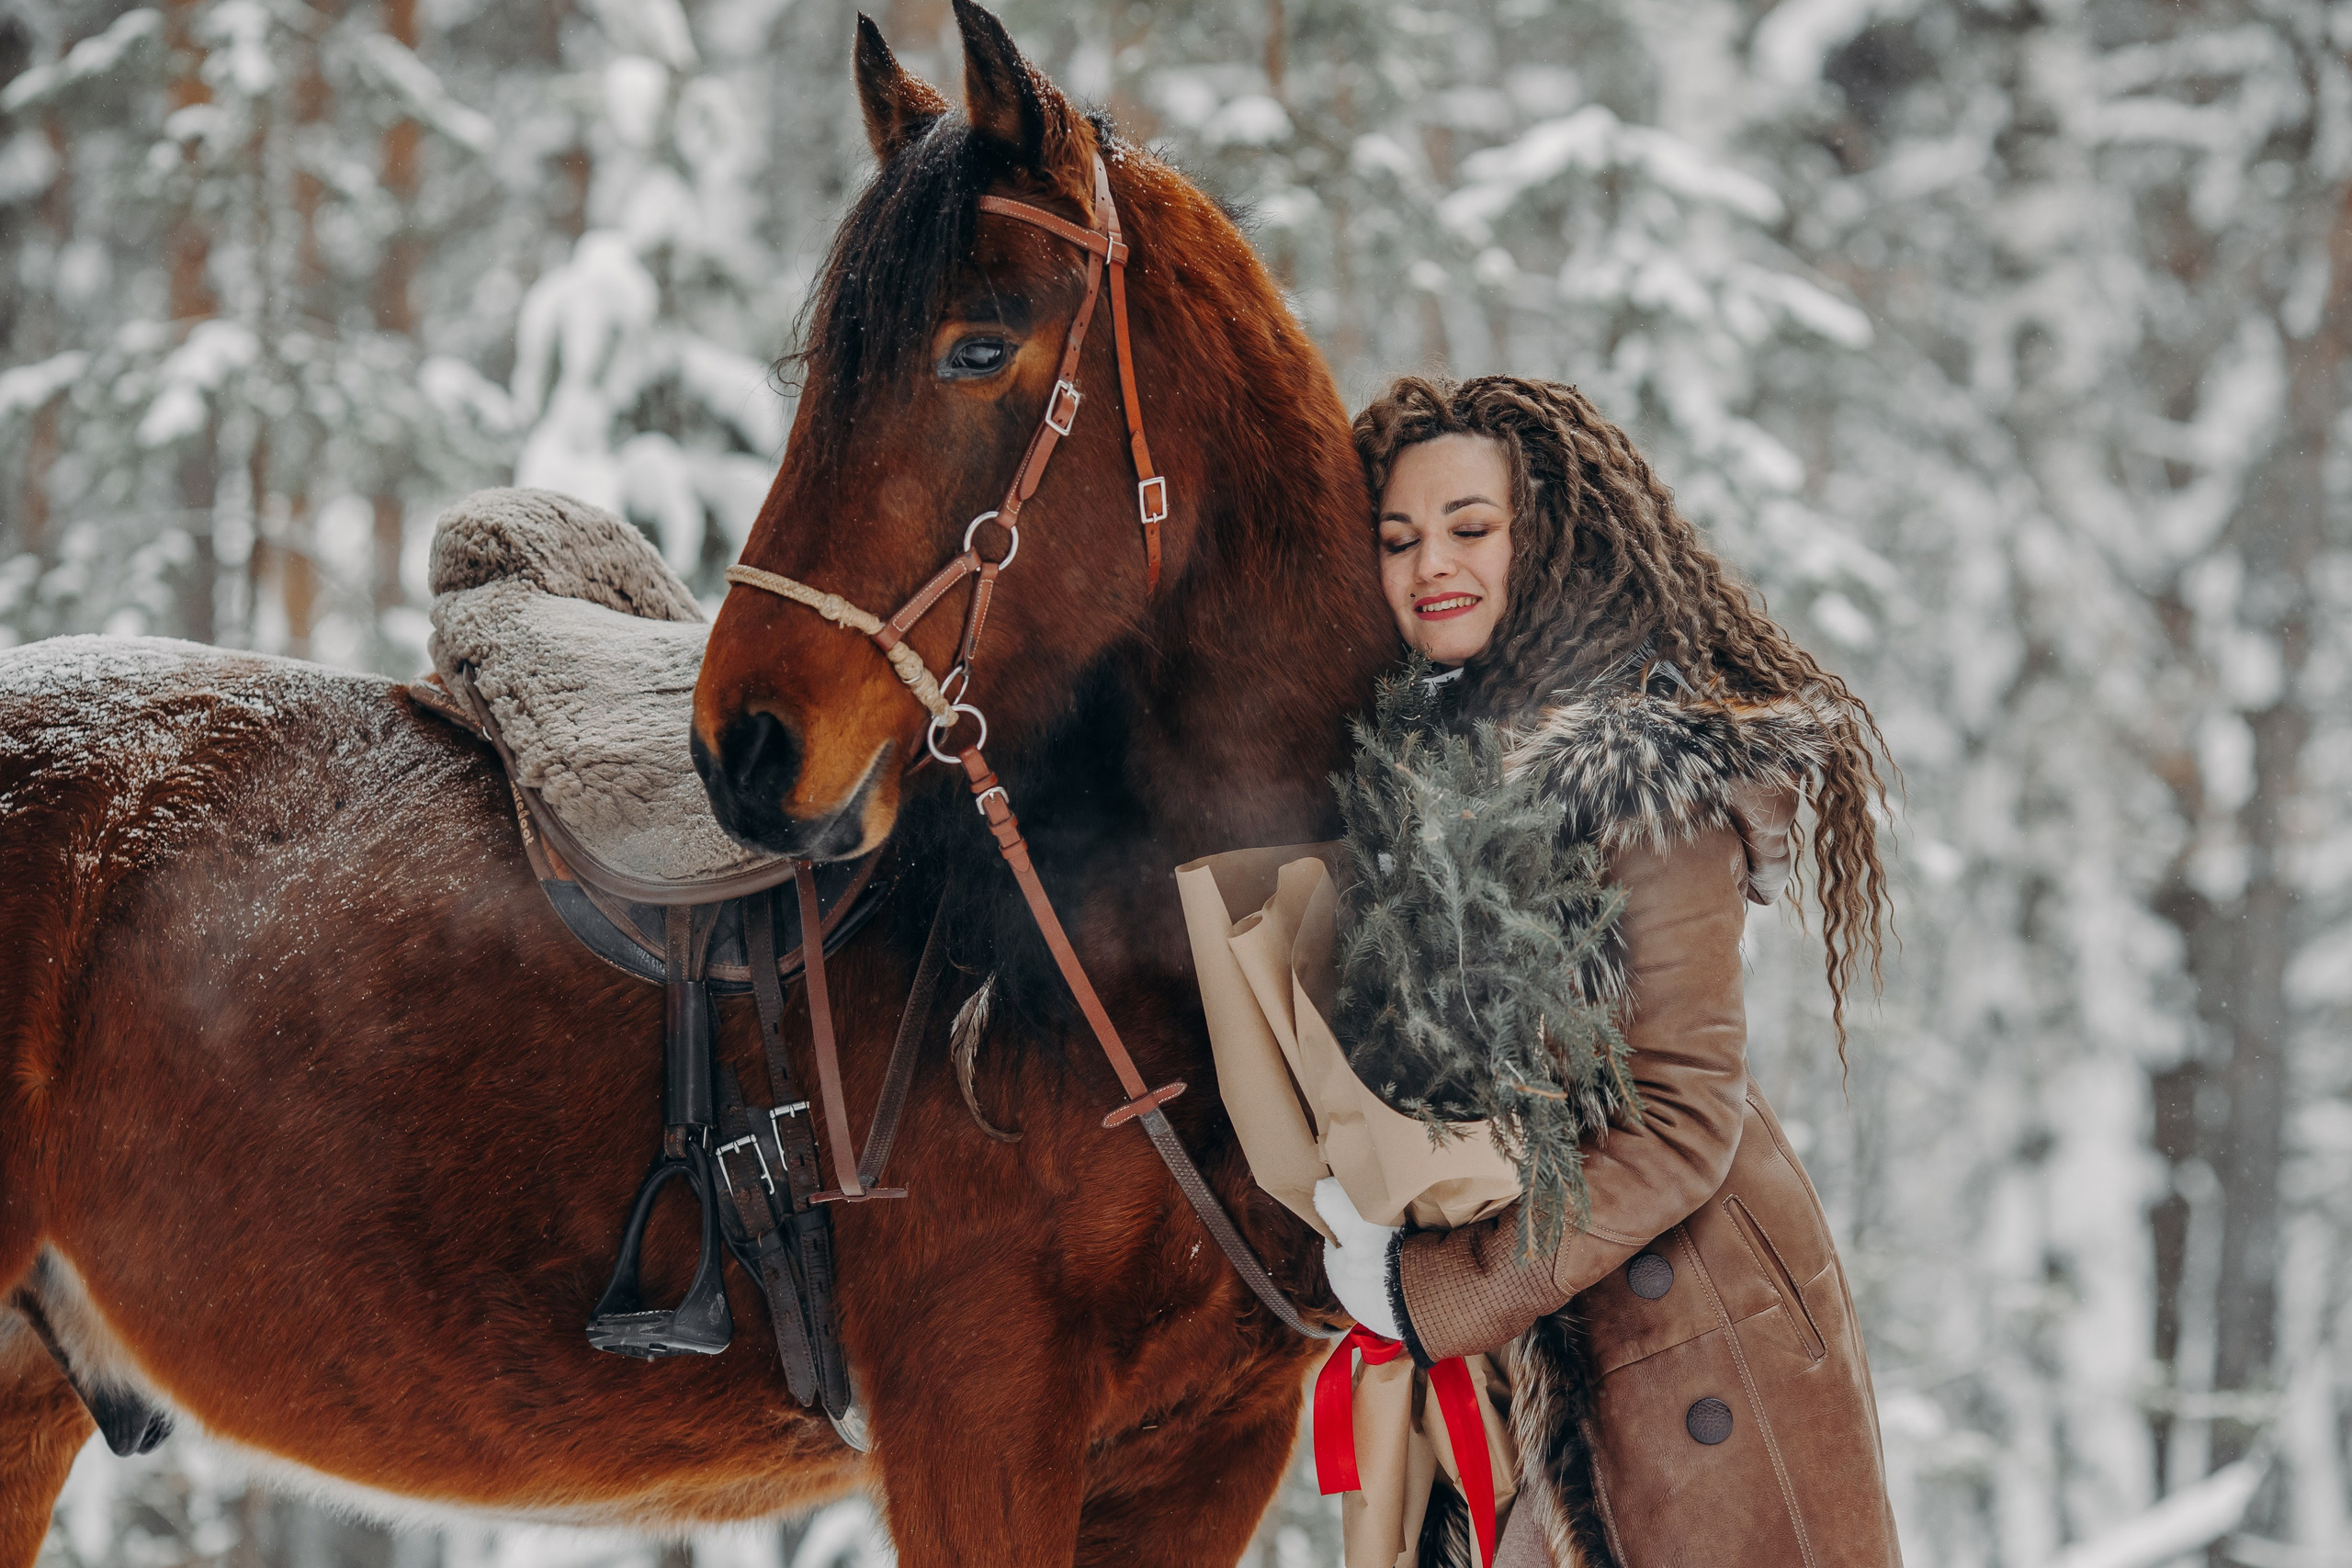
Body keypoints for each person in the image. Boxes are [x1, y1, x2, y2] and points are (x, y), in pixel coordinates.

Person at [1314, 376, 1903, 1568]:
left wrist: (1438, 1296)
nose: (1434, 562)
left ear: (1550, 537)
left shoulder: (1642, 768)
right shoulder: (1423, 779)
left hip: (1684, 1323)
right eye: (1399, 537)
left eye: (1471, 527)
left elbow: (1682, 1123)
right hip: (1526, 1343)